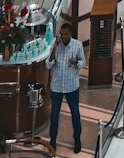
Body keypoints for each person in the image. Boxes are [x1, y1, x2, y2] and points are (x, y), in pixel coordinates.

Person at [48, 21, 85, 153]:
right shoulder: (55, 46)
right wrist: (54, 49)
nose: (63, 36)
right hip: (57, 86)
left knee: (75, 114)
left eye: (65, 34)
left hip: (71, 86)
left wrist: (75, 63)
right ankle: (52, 140)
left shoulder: (78, 45)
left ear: (70, 34)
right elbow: (48, 65)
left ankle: (77, 140)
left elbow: (83, 62)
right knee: (54, 115)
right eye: (61, 34)